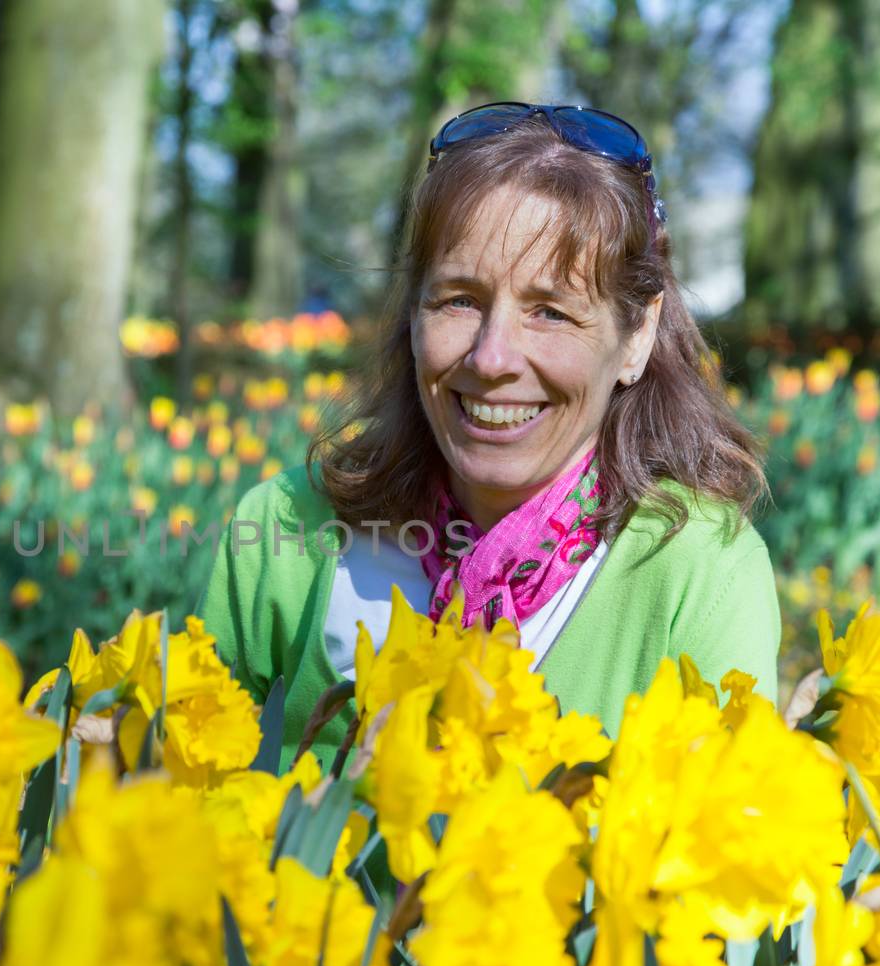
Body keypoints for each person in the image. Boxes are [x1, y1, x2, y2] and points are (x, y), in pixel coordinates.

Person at [196, 102, 780, 768]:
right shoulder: (285, 535)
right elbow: (179, 818)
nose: (492, 357)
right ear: (413, 312)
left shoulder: (699, 576)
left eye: (551, 311)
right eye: (459, 300)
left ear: (636, 335)